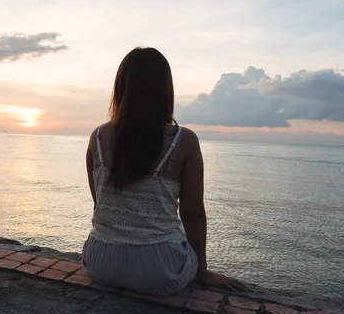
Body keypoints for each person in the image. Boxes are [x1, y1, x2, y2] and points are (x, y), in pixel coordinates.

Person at [82, 47, 249, 296]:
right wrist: (202, 270)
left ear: (121, 87)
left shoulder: (97, 137)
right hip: (160, 269)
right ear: (165, 90)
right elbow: (193, 214)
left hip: (100, 262)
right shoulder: (184, 140)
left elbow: (100, 203)